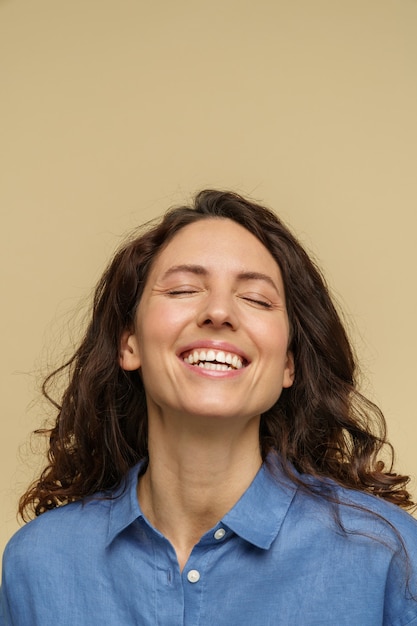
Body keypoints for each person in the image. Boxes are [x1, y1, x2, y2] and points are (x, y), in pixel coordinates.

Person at [1, 189, 416, 625]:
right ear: (130, 343)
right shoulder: (37, 564)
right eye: (183, 289)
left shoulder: (385, 555)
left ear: (288, 364)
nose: (218, 311)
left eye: (256, 299)